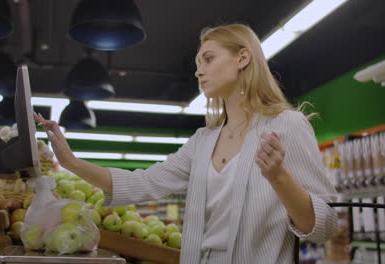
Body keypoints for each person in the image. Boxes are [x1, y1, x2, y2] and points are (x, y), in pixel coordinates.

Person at [34, 24, 338, 264]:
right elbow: (142, 183)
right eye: (197, 62)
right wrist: (71, 162)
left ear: (242, 58)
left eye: (208, 58)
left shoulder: (286, 125)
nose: (198, 71)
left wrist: (279, 178)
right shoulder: (202, 142)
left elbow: (324, 227)